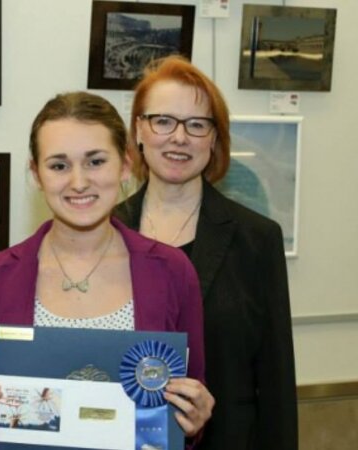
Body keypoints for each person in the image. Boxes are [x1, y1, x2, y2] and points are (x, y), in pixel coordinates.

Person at [0, 92, 213, 446]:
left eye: (95, 162)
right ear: (36, 174)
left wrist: (193, 421)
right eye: (59, 166)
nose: (78, 182)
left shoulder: (172, 272)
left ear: (125, 165)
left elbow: (184, 413)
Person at [114, 55, 297, 450]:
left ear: (214, 140)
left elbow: (276, 379)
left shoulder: (257, 239)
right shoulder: (105, 232)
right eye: (163, 121)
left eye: (197, 124)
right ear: (139, 130)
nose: (179, 138)